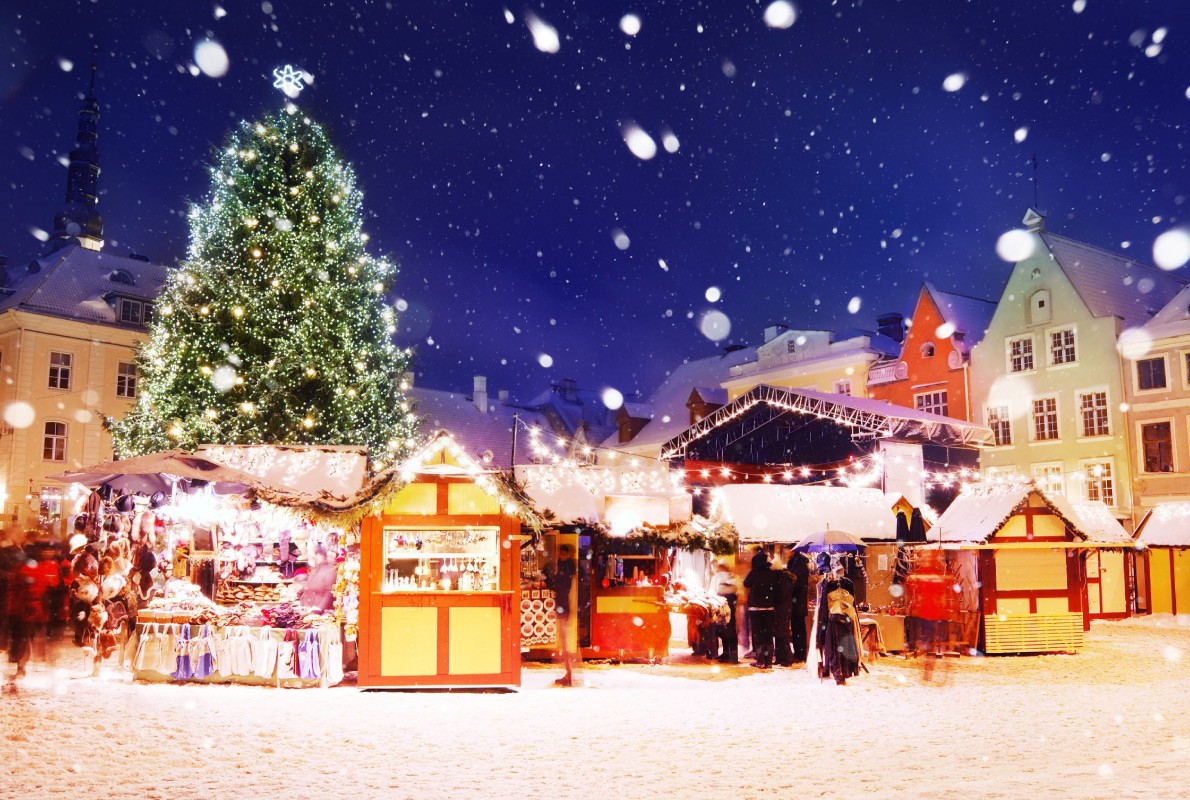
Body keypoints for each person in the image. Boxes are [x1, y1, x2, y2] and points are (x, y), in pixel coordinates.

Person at [813, 554, 864, 685]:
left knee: (838, 647)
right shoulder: (827, 584)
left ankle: (840, 671)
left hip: (840, 620)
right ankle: (840, 671)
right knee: (838, 647)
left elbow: (826, 607)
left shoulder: (841, 584)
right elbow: (825, 606)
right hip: (841, 620)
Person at [549, 544, 580, 686]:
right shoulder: (568, 569)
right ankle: (568, 674)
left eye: (562, 553)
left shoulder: (564, 569)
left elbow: (557, 586)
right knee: (564, 642)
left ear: (566, 554)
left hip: (563, 606)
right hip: (564, 606)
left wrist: (546, 578)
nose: (560, 556)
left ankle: (568, 676)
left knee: (564, 642)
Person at [743, 550, 778, 669]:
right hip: (769, 607)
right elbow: (776, 588)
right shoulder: (772, 574)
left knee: (758, 635)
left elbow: (746, 584)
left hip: (756, 608)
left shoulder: (754, 573)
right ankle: (768, 661)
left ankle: (760, 660)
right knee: (768, 635)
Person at [708, 559, 741, 663]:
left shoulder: (726, 578)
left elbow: (733, 591)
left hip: (726, 607)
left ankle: (730, 655)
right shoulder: (727, 577)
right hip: (726, 606)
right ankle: (729, 654)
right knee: (725, 630)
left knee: (726, 630)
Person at [786, 550, 810, 663]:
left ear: (792, 551)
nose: (785, 553)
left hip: (798, 602)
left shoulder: (799, 563)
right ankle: (799, 653)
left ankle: (800, 655)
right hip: (796, 602)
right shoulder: (796, 562)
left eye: (786, 550)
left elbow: (797, 582)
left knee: (798, 629)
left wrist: (788, 578)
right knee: (797, 629)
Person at [772, 556, 795, 667]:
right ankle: (780, 657)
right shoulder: (783, 578)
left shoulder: (783, 579)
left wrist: (773, 598)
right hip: (783, 608)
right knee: (779, 633)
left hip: (782, 609)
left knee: (782, 633)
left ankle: (786, 657)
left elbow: (781, 595)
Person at [298, 547, 338, 611]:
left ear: (325, 558)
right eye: (316, 558)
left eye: (319, 557)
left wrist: (319, 609)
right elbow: (307, 587)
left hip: (319, 610)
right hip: (307, 607)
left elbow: (329, 593)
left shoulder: (331, 571)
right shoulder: (314, 570)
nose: (316, 560)